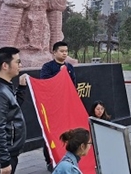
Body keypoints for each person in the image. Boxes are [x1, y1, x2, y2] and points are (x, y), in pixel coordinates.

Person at [41, 41, 77, 171]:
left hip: (65, 106)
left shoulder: (70, 67)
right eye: (62, 51)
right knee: (50, 133)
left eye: (66, 51)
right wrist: (60, 74)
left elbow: (73, 86)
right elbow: (45, 84)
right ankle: (50, 160)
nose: (64, 54)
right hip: (52, 107)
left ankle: (66, 158)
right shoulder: (47, 67)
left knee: (67, 133)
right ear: (54, 52)